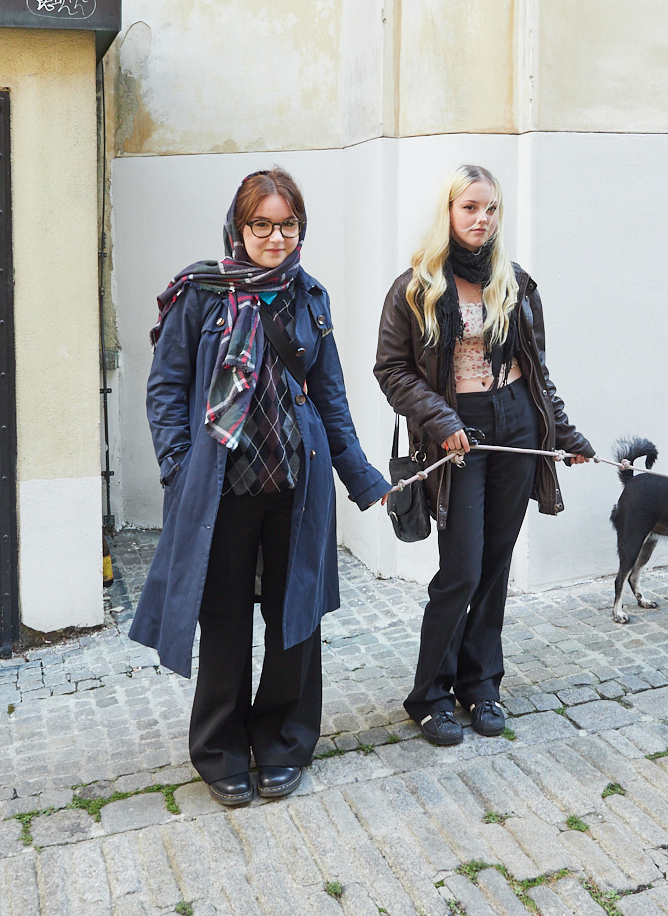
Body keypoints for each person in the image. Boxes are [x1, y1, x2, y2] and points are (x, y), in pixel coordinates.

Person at [132, 168, 391, 806]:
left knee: (293, 618)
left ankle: (283, 742)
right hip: (222, 489)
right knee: (223, 623)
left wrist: (362, 477)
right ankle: (221, 750)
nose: (275, 238)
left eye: (287, 225)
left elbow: (330, 397)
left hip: (297, 491)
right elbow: (166, 388)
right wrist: (177, 466)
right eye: (262, 225)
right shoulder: (201, 293)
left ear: (300, 228)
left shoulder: (310, 296)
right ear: (239, 226)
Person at [374, 164, 595, 746]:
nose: (482, 219)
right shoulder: (415, 286)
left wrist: (564, 433)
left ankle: (481, 684)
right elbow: (392, 370)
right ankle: (430, 695)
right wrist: (442, 419)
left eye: (491, 208)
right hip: (457, 434)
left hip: (517, 425)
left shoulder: (515, 282)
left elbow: (537, 370)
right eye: (470, 207)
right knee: (462, 570)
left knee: (495, 565)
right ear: (448, 212)